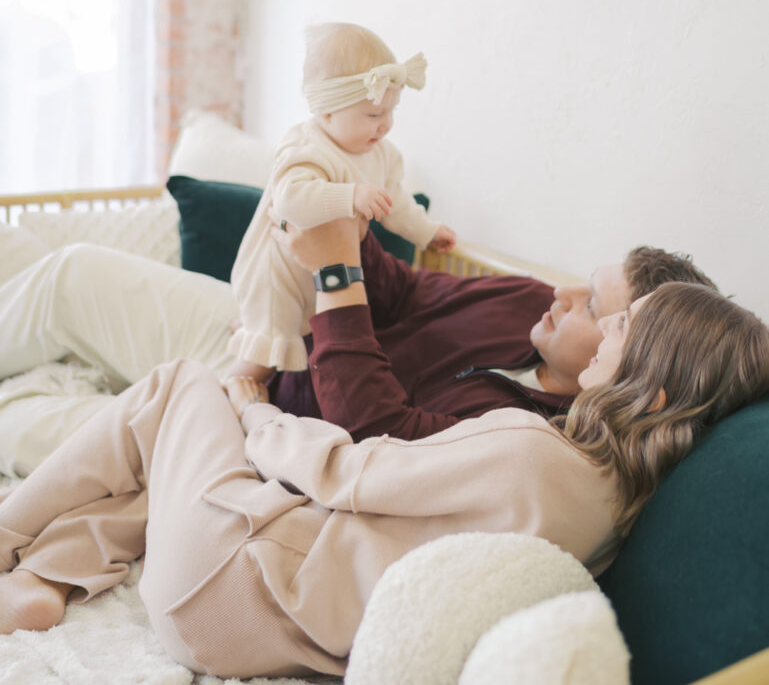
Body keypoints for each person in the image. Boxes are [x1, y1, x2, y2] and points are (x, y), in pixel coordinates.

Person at [0, 265, 767, 680]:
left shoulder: (536, 451)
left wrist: (251, 409)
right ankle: (54, 573)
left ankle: (12, 536)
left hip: (229, 584)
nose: (605, 324)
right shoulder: (610, 506)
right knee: (185, 442)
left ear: (654, 390)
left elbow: (345, 471)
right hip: (264, 627)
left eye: (622, 323)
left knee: (180, 386)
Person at [0, 216, 716, 474]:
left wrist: (335, 275)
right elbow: (401, 290)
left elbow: (373, 432)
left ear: (627, 356)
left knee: (26, 431)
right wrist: (343, 222)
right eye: (580, 283)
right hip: (272, 341)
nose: (562, 296)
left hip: (256, 427)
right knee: (73, 272)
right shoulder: (527, 303)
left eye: (593, 307)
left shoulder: (529, 437)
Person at [225, 21, 455, 389]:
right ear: (327, 112)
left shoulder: (383, 156)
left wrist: (426, 231)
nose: (386, 126)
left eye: (391, 112)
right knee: (268, 346)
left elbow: (395, 203)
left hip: (319, 271)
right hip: (279, 270)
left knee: (306, 332)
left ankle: (247, 332)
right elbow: (291, 200)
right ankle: (227, 390)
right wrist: (350, 196)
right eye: (374, 115)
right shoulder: (306, 146)